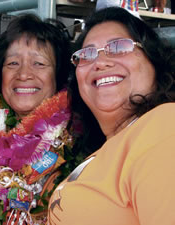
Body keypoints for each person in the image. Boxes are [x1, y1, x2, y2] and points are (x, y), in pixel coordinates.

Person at [0, 14, 87, 225]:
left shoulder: (83, 138)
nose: (24, 74)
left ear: (58, 75)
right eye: (13, 63)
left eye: (39, 63)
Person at [48, 6, 175, 225]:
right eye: (86, 54)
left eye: (118, 47)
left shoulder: (165, 125)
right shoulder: (112, 144)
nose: (100, 62)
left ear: (153, 60)